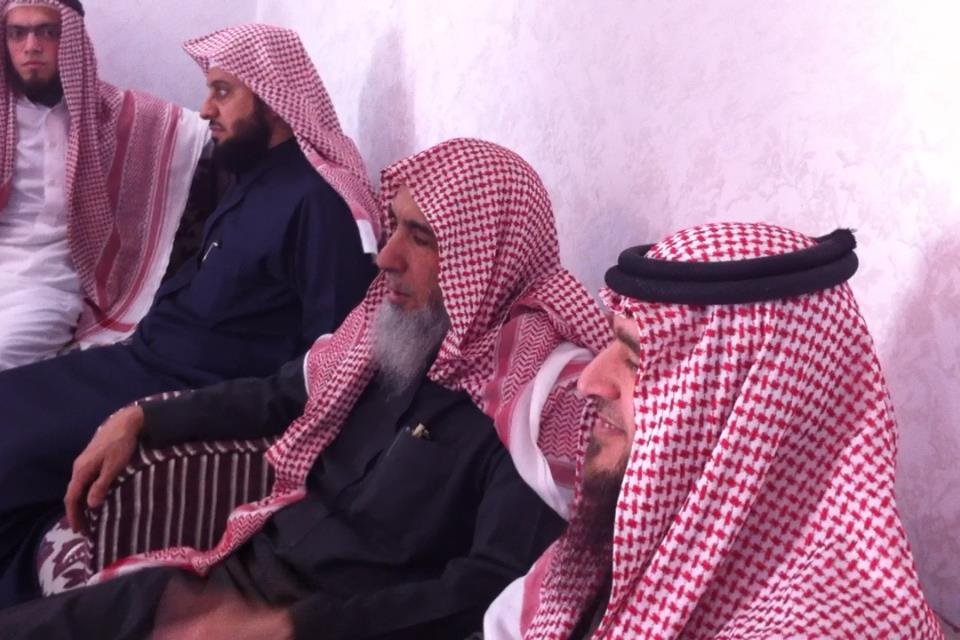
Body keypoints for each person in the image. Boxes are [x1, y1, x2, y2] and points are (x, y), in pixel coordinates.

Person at [0, 138, 609, 639]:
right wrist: (142, 419)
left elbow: (488, 589)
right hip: (237, 580)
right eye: (393, 227)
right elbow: (277, 394)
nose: (386, 257)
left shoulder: (536, 408)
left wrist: (295, 628)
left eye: (421, 237)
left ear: (488, 256)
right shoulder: (393, 331)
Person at [0, 23, 379, 607]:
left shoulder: (320, 204)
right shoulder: (253, 176)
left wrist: (162, 416)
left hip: (176, 389)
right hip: (135, 361)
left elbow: (325, 369)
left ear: (271, 97)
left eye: (223, 92)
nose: (205, 109)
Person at [485, 223, 944, 639]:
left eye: (636, 360)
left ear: (755, 410)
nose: (588, 381)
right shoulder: (641, 526)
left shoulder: (838, 628)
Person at [0, 0, 209, 368]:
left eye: (48, 31)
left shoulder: (112, 115)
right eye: (17, 33)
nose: (31, 46)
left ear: (72, 40)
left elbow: (209, 132)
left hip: (45, 282)